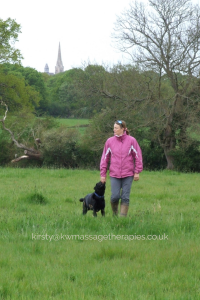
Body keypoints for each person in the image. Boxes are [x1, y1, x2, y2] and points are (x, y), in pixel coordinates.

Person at [100, 120, 143, 217]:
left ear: (123, 129)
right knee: (115, 196)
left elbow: (138, 156)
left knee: (125, 197)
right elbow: (104, 158)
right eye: (114, 127)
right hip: (114, 174)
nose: (114, 129)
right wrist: (103, 174)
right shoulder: (109, 141)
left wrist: (137, 171)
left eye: (116, 128)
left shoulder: (132, 140)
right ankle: (115, 215)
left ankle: (122, 218)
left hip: (128, 174)